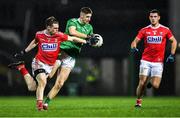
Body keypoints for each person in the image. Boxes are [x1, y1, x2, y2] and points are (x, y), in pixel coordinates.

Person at [8, 16, 96, 111]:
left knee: (32, 87)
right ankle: (40, 106)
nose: (57, 30)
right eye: (55, 28)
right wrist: (24, 52)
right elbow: (35, 42)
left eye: (58, 28)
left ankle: (21, 67)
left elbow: (73, 39)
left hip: (50, 65)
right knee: (43, 81)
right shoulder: (39, 34)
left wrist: (86, 41)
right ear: (48, 27)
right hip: (39, 62)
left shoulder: (59, 35)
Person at [43, 7, 95, 110]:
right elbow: (72, 32)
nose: (89, 19)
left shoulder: (89, 27)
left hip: (72, 57)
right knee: (49, 76)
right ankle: (38, 82)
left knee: (60, 83)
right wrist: (88, 37)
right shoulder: (72, 21)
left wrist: (95, 42)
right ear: (82, 15)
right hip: (61, 51)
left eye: (90, 17)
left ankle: (46, 103)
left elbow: (90, 41)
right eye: (87, 17)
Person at [130, 9, 177, 107]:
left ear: (159, 17)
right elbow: (134, 41)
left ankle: (150, 81)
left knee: (156, 85)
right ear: (149, 18)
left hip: (158, 61)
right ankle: (138, 102)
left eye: (155, 16)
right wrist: (133, 47)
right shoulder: (144, 30)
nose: (153, 18)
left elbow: (174, 41)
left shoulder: (165, 30)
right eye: (151, 16)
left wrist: (172, 54)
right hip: (145, 60)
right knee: (142, 83)